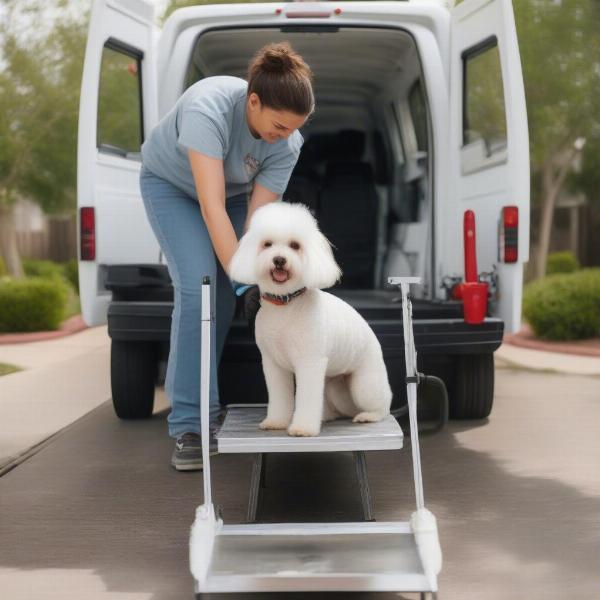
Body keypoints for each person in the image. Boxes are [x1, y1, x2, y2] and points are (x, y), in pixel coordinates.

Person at [139, 42, 314, 471]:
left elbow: (258, 223)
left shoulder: (288, 145)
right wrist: (242, 281)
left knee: (220, 301)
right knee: (200, 288)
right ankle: (189, 426)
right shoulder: (208, 108)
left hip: (233, 197)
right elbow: (209, 204)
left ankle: (208, 409)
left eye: (293, 129)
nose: (283, 136)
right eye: (277, 125)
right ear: (252, 102)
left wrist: (255, 281)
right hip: (173, 189)